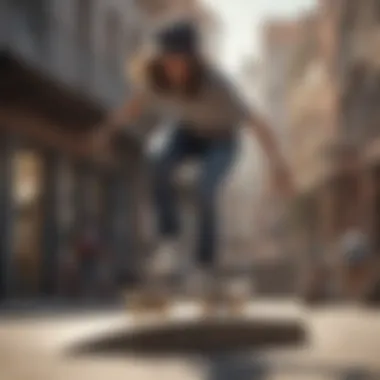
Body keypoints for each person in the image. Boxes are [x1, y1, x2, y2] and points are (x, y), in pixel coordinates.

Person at [90, 20, 293, 286]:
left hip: (223, 140)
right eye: (168, 61)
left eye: (179, 61)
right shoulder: (158, 78)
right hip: (186, 134)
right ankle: (169, 243)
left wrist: (278, 165)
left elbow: (258, 124)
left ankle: (204, 264)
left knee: (205, 188)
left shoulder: (218, 85)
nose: (173, 69)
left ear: (193, 60)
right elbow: (134, 106)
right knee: (157, 158)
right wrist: (106, 131)